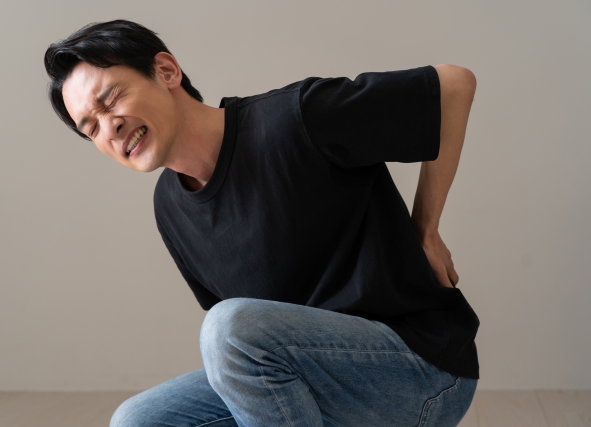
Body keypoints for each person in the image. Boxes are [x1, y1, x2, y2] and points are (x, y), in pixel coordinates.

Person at [44, 19, 479, 427]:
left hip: (420, 370)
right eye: (91, 127)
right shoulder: (169, 207)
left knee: (229, 329)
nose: (110, 128)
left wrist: (426, 229)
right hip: (316, 379)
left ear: (166, 71)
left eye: (110, 100)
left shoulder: (295, 119)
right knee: (136, 420)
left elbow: (453, 86)